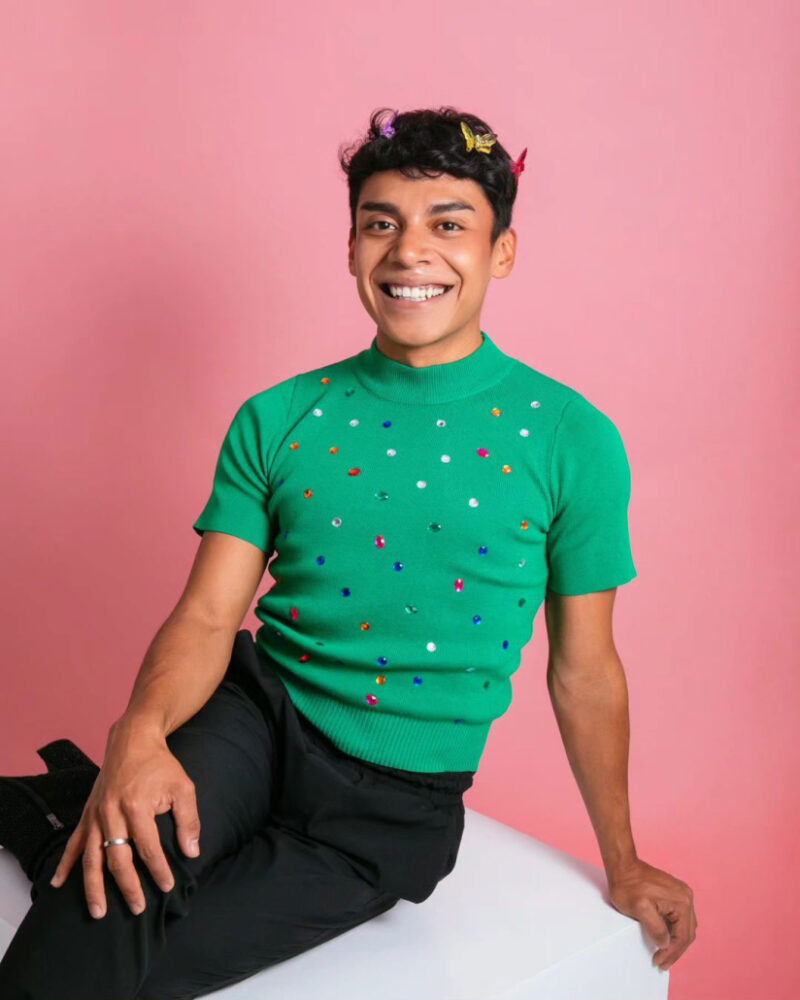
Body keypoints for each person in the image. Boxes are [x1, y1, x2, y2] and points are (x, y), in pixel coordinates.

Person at [0, 105, 696, 998]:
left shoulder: (572, 439)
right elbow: (208, 616)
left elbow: (585, 669)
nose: (410, 252)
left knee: (154, 966)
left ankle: (44, 817)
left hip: (391, 806)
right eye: (381, 224)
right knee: (95, 922)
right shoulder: (280, 416)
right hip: (255, 721)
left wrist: (624, 861)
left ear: (502, 252)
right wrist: (137, 734)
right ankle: (77, 811)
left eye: (449, 225)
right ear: (353, 246)